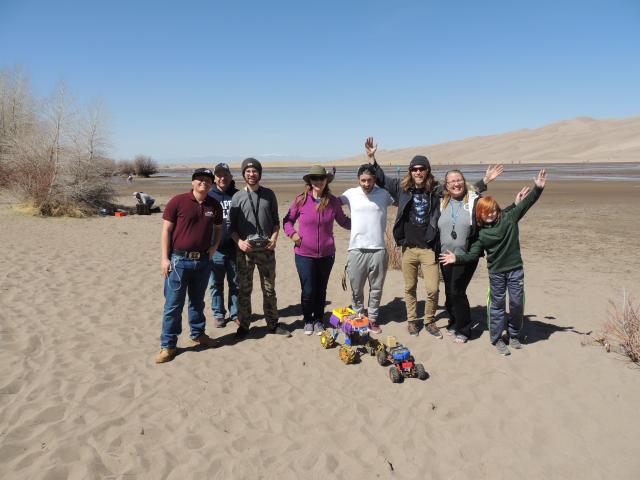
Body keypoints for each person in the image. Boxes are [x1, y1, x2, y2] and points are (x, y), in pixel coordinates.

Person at [366, 137, 503, 337]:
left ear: (427, 171)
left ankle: (430, 320)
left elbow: (462, 189)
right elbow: (381, 178)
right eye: (415, 169)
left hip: (430, 249)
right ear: (410, 172)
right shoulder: (401, 188)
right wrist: (372, 157)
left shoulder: (436, 190)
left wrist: (485, 182)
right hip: (408, 249)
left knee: (432, 289)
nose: (418, 172)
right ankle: (413, 320)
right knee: (410, 288)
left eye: (422, 168)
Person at [440, 169, 547, 356]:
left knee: (512, 303)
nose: (456, 183)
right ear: (446, 185)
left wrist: (537, 189)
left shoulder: (477, 203)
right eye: (452, 181)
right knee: (456, 294)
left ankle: (498, 333)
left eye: (459, 180)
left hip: (498, 265)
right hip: (454, 258)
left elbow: (510, 210)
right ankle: (482, 333)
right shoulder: (442, 201)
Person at [155, 168, 223, 364]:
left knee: (197, 302)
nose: (204, 183)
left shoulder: (213, 205)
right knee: (173, 305)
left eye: (208, 181)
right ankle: (168, 345)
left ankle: (198, 334)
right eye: (200, 180)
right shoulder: (178, 201)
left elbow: (218, 228)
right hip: (178, 262)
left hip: (202, 261)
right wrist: (164, 259)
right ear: (193, 182)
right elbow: (166, 231)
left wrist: (214, 247)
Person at [283, 165, 351, 335]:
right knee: (308, 290)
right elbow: (287, 220)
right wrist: (293, 234)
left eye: (321, 178)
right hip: (304, 254)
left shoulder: (333, 201)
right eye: (315, 178)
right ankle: (308, 319)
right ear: (310, 181)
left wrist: (363, 223)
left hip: (327, 254)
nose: (318, 181)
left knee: (321, 289)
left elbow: (343, 221)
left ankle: (319, 320)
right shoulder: (301, 200)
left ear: (326, 180)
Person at [229, 158, 290, 340]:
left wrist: (274, 239)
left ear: (259, 174)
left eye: (255, 171)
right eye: (248, 171)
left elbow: (276, 222)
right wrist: (239, 242)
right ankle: (244, 326)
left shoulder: (269, 195)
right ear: (244, 174)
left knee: (269, 289)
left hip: (266, 251)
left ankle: (273, 324)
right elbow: (230, 227)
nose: (251, 174)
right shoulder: (237, 197)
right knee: (244, 290)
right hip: (245, 251)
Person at [339, 163, 394, 334]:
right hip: (356, 249)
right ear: (358, 180)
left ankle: (372, 319)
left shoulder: (384, 194)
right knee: (357, 287)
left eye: (369, 180)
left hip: (378, 249)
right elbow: (331, 205)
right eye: (363, 180)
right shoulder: (350, 194)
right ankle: (358, 316)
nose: (366, 184)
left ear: (374, 180)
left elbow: (402, 199)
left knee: (376, 288)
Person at [207, 163, 239, 328]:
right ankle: (219, 314)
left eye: (225, 174)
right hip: (215, 250)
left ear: (231, 177)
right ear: (214, 178)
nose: (222, 178)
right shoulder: (209, 196)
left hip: (235, 248)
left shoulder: (237, 195)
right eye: (219, 175)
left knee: (235, 283)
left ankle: (235, 313)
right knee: (216, 284)